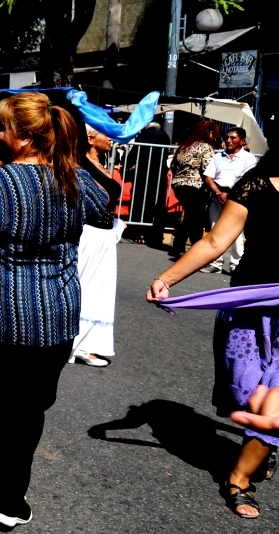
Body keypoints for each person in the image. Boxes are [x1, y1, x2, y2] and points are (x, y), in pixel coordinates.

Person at [0, 92, 109, 528]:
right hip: (55, 311)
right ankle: (5, 492)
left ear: (26, 137)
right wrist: (71, 157)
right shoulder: (73, 180)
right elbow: (106, 206)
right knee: (30, 406)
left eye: (4, 128)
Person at [147, 149, 278, 519]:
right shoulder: (255, 187)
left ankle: (238, 477)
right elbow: (215, 242)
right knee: (248, 391)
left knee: (277, 398)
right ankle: (262, 444)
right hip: (250, 308)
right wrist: (165, 279)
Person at [71, 125, 123, 367]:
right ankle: (76, 343)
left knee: (99, 288)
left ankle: (85, 343)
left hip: (103, 233)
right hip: (89, 232)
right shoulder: (80, 163)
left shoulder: (100, 163)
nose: (111, 139)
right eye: (106, 134)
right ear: (91, 139)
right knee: (85, 285)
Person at [202, 127, 256, 275]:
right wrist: (219, 193)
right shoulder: (218, 156)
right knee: (215, 230)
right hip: (217, 196)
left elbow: (248, 180)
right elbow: (208, 176)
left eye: (233, 138)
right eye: (227, 137)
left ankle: (236, 264)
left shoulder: (249, 159)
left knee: (236, 232)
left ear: (242, 141)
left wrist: (230, 195)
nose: (228, 140)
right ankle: (215, 263)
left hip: (236, 199)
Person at [169, 121, 218, 258]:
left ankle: (181, 246)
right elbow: (208, 168)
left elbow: (174, 165)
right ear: (210, 132)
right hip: (195, 184)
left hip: (179, 184)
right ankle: (190, 246)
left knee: (191, 216)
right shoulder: (205, 147)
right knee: (195, 217)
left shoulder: (184, 146)